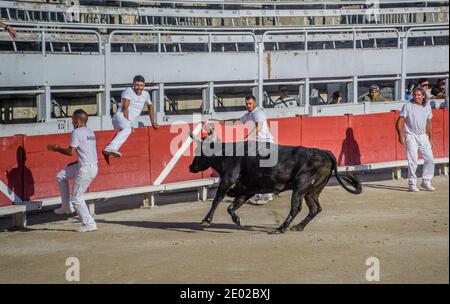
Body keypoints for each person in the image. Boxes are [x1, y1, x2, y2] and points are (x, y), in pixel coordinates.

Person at [47, 109, 99, 232]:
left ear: (77, 121)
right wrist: (77, 162)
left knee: (77, 198)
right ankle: (66, 206)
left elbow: (71, 152)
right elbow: (87, 152)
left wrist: (57, 148)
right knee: (61, 176)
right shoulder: (90, 131)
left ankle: (89, 224)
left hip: (85, 169)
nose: (72, 123)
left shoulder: (77, 132)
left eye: (72, 121)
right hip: (88, 165)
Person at [217, 95, 275, 205]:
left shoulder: (258, 113)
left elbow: (259, 127)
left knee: (262, 169)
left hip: (266, 144)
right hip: (258, 145)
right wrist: (222, 122)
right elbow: (237, 122)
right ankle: (260, 192)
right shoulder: (249, 115)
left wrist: (249, 137)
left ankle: (268, 194)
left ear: (255, 103)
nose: (248, 105)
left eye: (250, 103)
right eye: (247, 104)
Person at [103, 75, 159, 157]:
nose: (139, 87)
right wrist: (128, 124)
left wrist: (153, 121)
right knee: (127, 129)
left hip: (128, 121)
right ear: (133, 84)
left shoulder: (146, 94)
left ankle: (111, 150)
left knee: (126, 131)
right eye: (137, 85)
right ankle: (110, 148)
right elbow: (126, 108)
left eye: (141, 85)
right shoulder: (128, 91)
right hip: (120, 117)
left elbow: (150, 106)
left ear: (144, 85)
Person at [395, 87, 435, 192]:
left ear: (423, 96)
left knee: (430, 159)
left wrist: (430, 138)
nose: (416, 97)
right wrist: (400, 135)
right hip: (410, 135)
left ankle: (426, 181)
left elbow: (429, 124)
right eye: (414, 95)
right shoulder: (408, 106)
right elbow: (400, 120)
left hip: (423, 135)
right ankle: (412, 184)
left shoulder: (427, 106)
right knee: (413, 160)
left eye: (418, 95)